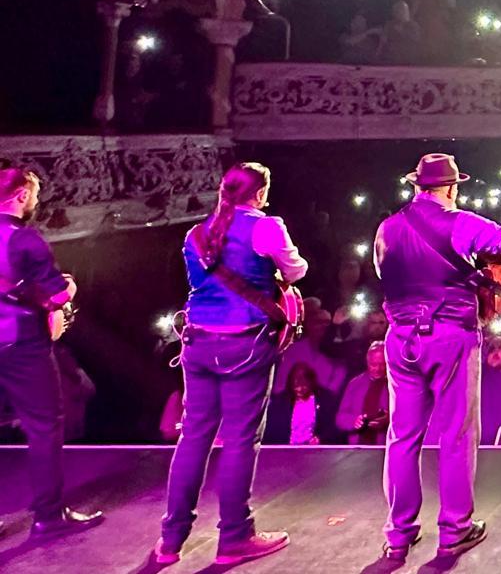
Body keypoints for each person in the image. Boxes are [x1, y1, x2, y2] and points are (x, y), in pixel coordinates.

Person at [374, 153, 501, 561]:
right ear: (452, 187)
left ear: (416, 186)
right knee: (456, 433)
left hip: (400, 338)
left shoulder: (387, 228)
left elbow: (382, 273)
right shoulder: (463, 223)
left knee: (402, 436)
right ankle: (455, 529)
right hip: (450, 337)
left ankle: (398, 533)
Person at [155, 162, 307, 565]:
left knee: (193, 438)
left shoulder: (196, 233)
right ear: (260, 193)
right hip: (245, 343)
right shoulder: (266, 226)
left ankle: (170, 542)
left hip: (199, 342)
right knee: (240, 439)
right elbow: (297, 270)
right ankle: (234, 538)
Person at [0, 166, 102, 537]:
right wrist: (70, 288)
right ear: (22, 195)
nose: (36, 203)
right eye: (35, 196)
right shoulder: (25, 240)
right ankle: (48, 516)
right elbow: (57, 295)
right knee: (44, 425)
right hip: (20, 343)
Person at [264, 363, 340, 444]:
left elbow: (333, 427)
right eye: (296, 386)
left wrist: (320, 439)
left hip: (312, 451)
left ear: (311, 383)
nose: (299, 389)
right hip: (288, 450)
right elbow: (273, 430)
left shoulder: (325, 400)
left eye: (303, 386)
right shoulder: (280, 403)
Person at [337, 341, 390, 444]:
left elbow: (407, 419)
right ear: (367, 362)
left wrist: (388, 420)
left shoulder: (395, 385)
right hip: (357, 448)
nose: (378, 369)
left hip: (384, 447)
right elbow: (340, 418)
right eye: (374, 364)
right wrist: (354, 421)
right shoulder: (355, 384)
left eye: (382, 365)